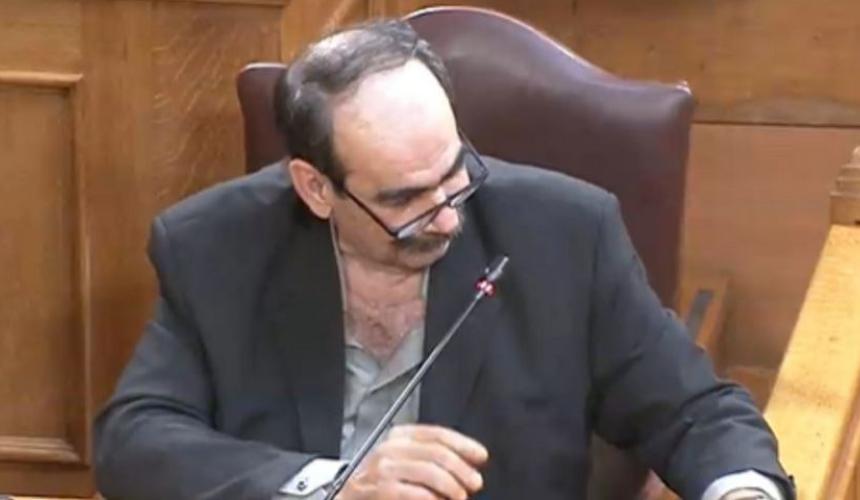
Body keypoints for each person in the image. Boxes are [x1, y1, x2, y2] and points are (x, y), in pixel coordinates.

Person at [94, 19, 794, 500]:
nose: (451, 215)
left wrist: (741, 489)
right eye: (406, 199)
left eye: (455, 172)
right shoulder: (217, 246)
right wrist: (329, 485)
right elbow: (135, 441)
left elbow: (694, 411)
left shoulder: (566, 235)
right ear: (316, 188)